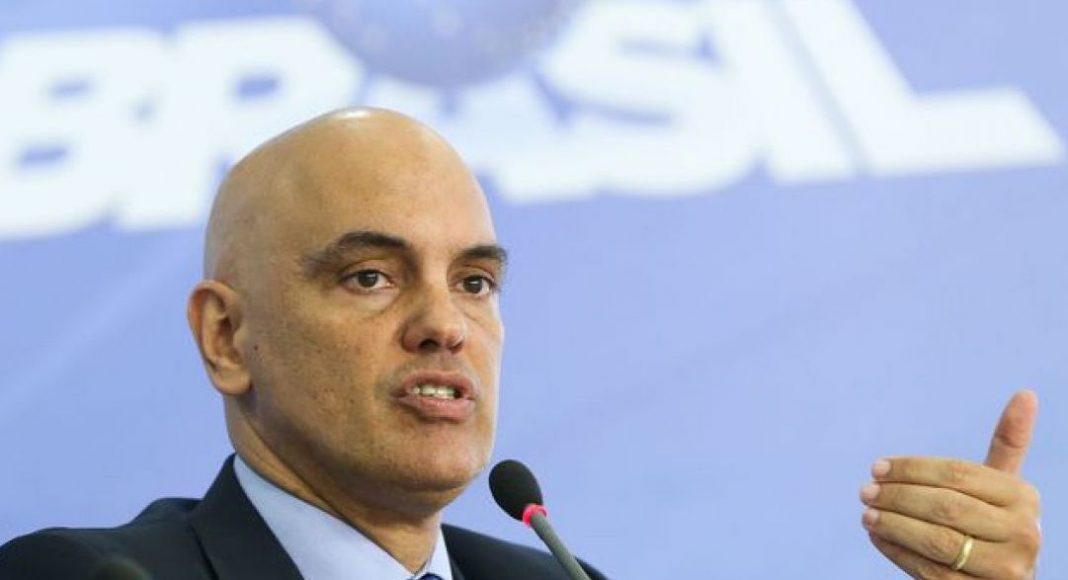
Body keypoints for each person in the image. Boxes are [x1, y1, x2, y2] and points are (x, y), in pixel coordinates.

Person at [0, 108, 1041, 579]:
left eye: (476, 281)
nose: (446, 324)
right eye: (370, 276)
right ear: (227, 337)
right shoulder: (91, 577)